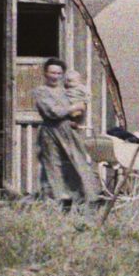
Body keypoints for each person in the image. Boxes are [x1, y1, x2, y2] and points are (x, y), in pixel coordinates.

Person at [34, 58, 100, 208]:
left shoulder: (66, 91)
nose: (55, 76)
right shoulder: (41, 91)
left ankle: (88, 198)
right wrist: (72, 108)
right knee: (53, 164)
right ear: (45, 73)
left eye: (58, 73)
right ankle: (57, 200)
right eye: (52, 72)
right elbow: (53, 112)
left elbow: (80, 106)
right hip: (50, 131)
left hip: (68, 131)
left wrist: (75, 116)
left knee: (78, 160)